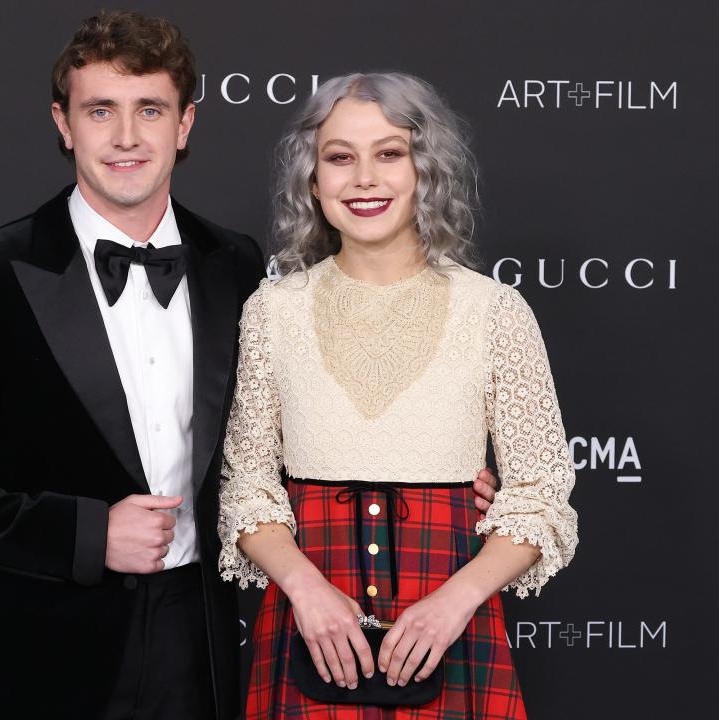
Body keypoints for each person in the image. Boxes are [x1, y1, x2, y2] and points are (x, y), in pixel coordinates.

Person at [0, 10, 501, 719]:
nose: (126, 137)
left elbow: (271, 440)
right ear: (63, 122)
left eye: (150, 109)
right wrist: (85, 534)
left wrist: (442, 479)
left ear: (185, 124)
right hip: (42, 651)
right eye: (100, 110)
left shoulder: (231, 265)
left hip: (200, 642)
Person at [218, 72, 578, 720]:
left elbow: (539, 497)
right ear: (312, 178)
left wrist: (453, 602)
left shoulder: (495, 311)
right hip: (309, 633)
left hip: (457, 630)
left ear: (426, 169)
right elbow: (246, 485)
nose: (363, 178)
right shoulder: (272, 311)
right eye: (339, 157)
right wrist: (305, 589)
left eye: (389, 153)